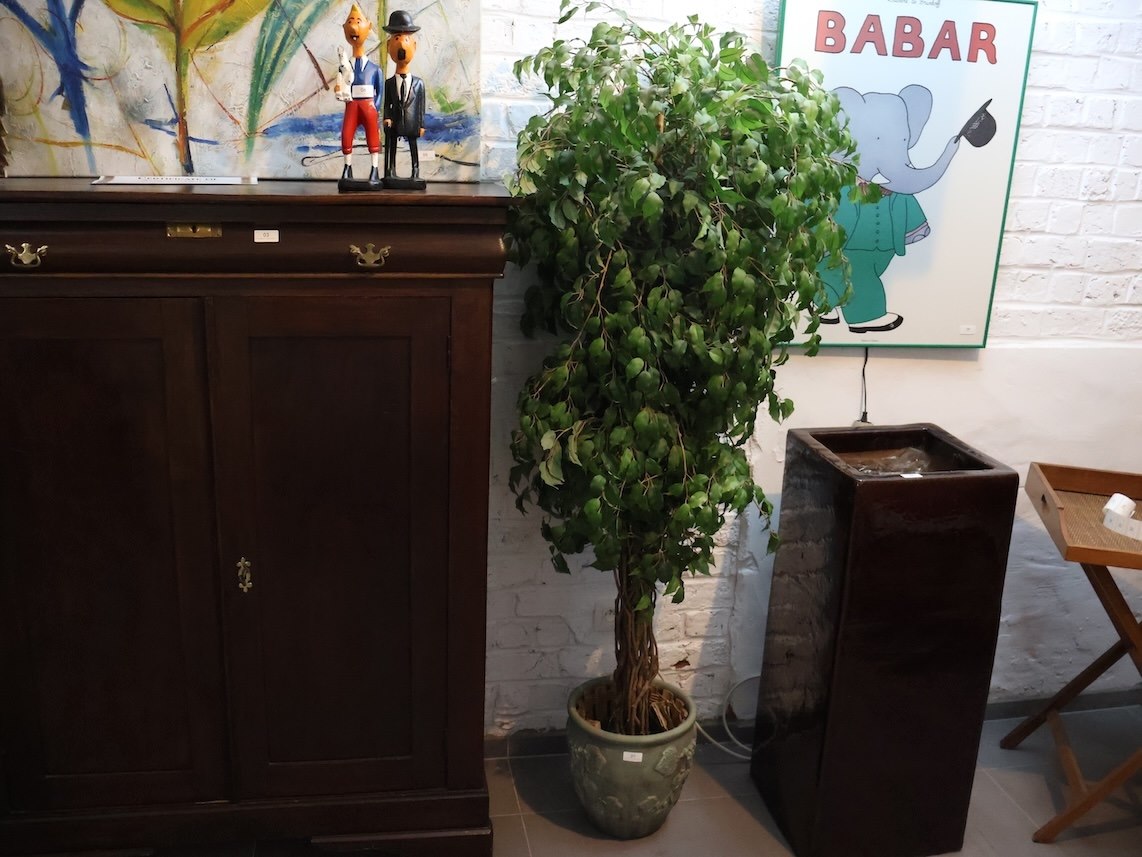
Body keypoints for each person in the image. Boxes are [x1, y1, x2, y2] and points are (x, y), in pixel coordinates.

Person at [334, 4, 383, 189]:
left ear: (368, 27)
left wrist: (376, 106)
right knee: (347, 134)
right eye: (350, 22)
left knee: (373, 136)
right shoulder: (345, 67)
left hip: (368, 105)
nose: (354, 27)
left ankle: (374, 168)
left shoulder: (375, 69)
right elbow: (341, 83)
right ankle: (347, 167)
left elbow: (380, 91)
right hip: (352, 105)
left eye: (358, 22)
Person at [382, 10, 427, 188]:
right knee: (391, 146)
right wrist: (387, 117)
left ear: (414, 46)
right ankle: (390, 170)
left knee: (413, 147)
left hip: (412, 123)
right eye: (397, 38)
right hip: (394, 123)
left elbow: (421, 106)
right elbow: (387, 103)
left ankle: (415, 171)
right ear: (389, 46)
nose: (401, 44)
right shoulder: (389, 83)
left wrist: (421, 125)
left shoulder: (419, 84)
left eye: (406, 39)